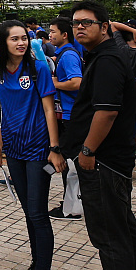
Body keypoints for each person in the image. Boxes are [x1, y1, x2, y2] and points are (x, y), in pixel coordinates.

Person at [65, 2, 136, 270]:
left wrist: (87, 151)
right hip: (110, 157)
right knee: (123, 227)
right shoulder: (103, 56)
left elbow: (107, 112)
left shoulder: (110, 59)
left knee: (109, 233)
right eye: (75, 23)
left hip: (105, 160)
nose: (80, 28)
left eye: (87, 22)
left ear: (105, 26)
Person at [0, 20, 65, 270]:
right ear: (3, 43)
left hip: (37, 149)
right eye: (15, 39)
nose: (21, 43)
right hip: (14, 151)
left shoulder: (38, 68)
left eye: (25, 38)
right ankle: (37, 266)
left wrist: (54, 148)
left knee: (38, 213)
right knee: (29, 212)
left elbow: (48, 108)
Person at [48, 17, 83, 220]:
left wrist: (55, 84)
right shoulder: (62, 54)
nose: (50, 35)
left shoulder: (68, 56)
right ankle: (71, 202)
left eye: (53, 32)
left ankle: (72, 208)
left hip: (71, 115)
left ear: (64, 35)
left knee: (70, 163)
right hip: (66, 114)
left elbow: (77, 82)